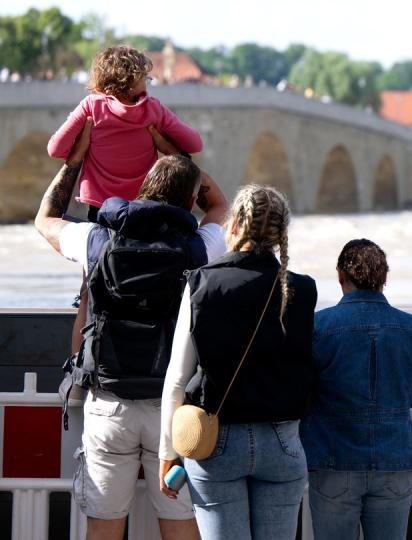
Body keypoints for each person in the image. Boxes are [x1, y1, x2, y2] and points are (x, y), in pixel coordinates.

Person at [34, 134, 227, 540]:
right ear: (190, 200)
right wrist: (179, 159)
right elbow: (221, 206)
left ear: (142, 189)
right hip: (173, 410)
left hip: (109, 403)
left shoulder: (97, 241)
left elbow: (46, 219)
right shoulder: (198, 248)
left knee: (103, 529)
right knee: (179, 526)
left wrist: (75, 163)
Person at [159, 185, 317, 540]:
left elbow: (176, 379)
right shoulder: (303, 290)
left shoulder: (203, 282)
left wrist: (167, 452)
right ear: (280, 233)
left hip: (216, 440)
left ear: (233, 226)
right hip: (282, 441)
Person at [301, 239, 412, 540]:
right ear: (384, 277)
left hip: (333, 460)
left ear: (340, 275)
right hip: (393, 462)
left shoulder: (317, 327)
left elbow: (299, 395)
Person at [47, 45, 203, 221]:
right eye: (147, 78)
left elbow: (55, 149)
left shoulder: (91, 106)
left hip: (101, 207)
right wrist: (164, 143)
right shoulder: (153, 109)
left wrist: (81, 147)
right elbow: (195, 144)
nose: (148, 83)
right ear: (136, 80)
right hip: (142, 205)